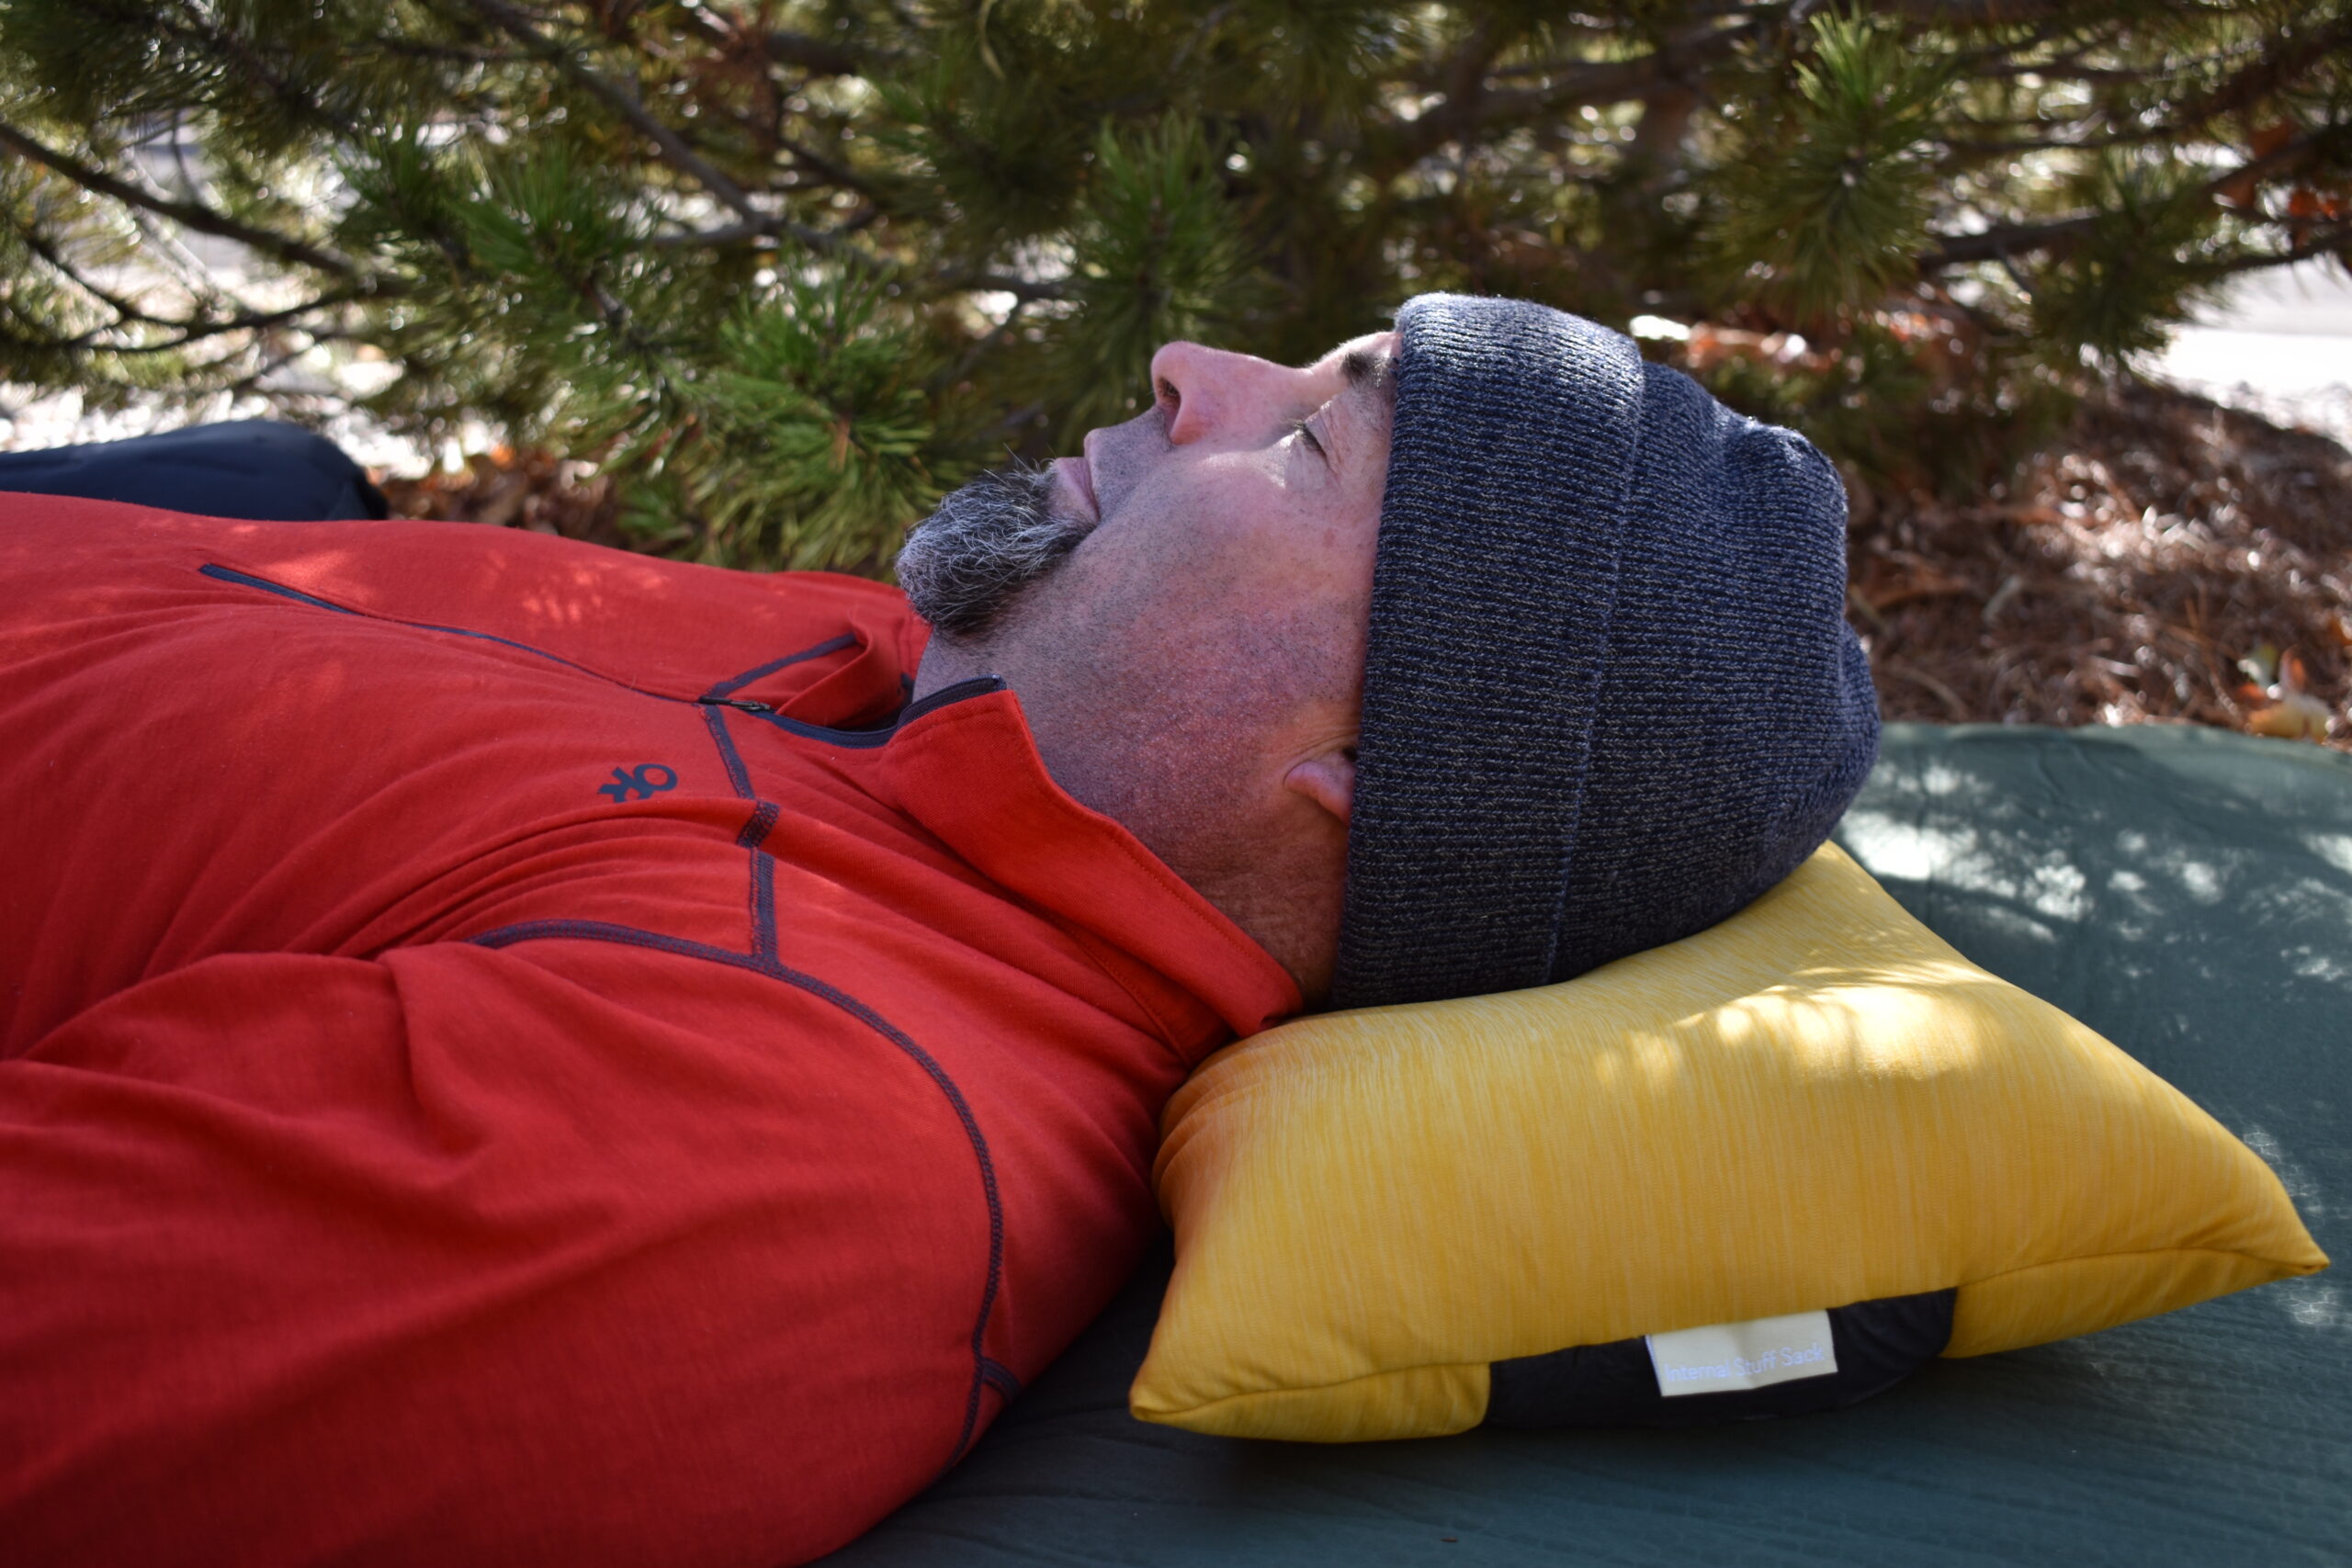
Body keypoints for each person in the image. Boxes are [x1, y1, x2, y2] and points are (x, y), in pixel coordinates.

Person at [0, 295, 1876, 1566]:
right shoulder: (1001, 686)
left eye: (1310, 445)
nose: (1186, 365)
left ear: (1371, 775)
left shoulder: (738, 1146)